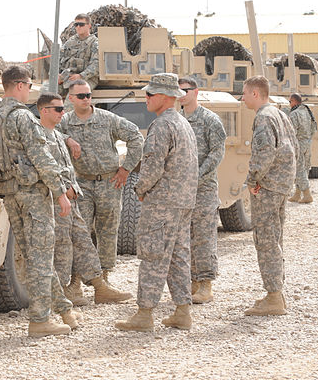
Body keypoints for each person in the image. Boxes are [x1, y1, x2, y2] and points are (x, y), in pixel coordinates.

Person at [0, 66, 76, 337]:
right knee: (41, 258)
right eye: (29, 84)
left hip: (9, 193)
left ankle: (64, 309)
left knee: (35, 257)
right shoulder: (22, 116)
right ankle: (40, 320)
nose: (31, 89)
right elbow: (41, 156)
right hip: (33, 194)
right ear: (20, 85)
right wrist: (59, 191)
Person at [115, 73, 198, 332]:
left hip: (162, 203)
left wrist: (140, 188)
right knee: (178, 256)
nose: (146, 98)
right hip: (182, 202)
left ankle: (144, 314)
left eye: (150, 94)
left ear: (164, 97)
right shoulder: (183, 122)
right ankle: (182, 312)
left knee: (152, 255)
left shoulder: (162, 125)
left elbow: (152, 166)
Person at [36, 92, 132, 306]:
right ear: (44, 111)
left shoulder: (58, 136)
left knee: (83, 241)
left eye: (63, 108)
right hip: (55, 200)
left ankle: (100, 287)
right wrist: (62, 190)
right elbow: (45, 168)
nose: (63, 113)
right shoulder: (40, 136)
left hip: (71, 197)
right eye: (58, 109)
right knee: (63, 248)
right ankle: (59, 299)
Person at [60, 79, 143, 283]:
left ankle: (104, 280)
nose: (86, 99)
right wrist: (67, 139)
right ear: (71, 99)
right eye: (81, 96)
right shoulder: (64, 122)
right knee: (79, 233)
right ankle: (76, 281)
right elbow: (48, 135)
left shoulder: (108, 119)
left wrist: (126, 169)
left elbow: (135, 137)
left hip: (109, 182)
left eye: (88, 95)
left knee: (108, 231)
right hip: (81, 185)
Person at [240, 75, 297, 316]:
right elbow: (293, 145)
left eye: (244, 93)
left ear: (255, 94)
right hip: (281, 185)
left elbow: (263, 153)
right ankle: (276, 293)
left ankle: (274, 297)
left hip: (268, 187)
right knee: (275, 238)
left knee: (266, 241)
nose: (242, 98)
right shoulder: (280, 114)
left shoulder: (263, 117)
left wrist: (252, 180)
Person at [177, 77, 225, 304]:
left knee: (204, 237)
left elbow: (217, 153)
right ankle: (192, 282)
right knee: (185, 236)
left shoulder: (209, 120)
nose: (181, 94)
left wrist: (197, 175)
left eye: (184, 90)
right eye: (178, 91)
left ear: (196, 92)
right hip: (181, 190)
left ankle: (206, 284)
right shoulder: (176, 120)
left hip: (203, 189)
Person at [58, 14, 99, 96]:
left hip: (87, 78)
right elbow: (59, 59)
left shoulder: (95, 43)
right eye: (76, 25)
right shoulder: (70, 42)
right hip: (68, 77)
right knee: (47, 92)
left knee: (74, 98)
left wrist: (81, 76)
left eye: (81, 24)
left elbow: (96, 65)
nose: (78, 27)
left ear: (89, 26)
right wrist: (58, 75)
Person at [287, 93, 316, 204]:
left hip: (298, 144)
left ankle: (307, 194)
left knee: (299, 170)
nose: (290, 104)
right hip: (307, 143)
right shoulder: (307, 112)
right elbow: (314, 128)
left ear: (294, 101)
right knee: (305, 168)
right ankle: (298, 194)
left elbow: (292, 132)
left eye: (290, 102)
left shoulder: (294, 114)